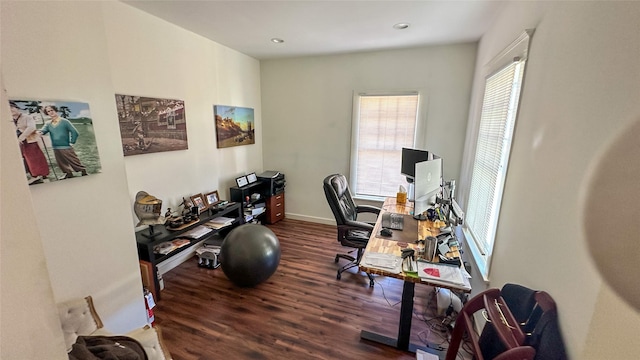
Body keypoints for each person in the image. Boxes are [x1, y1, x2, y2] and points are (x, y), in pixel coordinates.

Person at [38, 105, 87, 179]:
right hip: (55, 146)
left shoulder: (65, 121)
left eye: (52, 110)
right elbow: (43, 130)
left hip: (66, 146)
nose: (51, 112)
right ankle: (68, 173)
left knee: (73, 160)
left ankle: (83, 171)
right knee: (61, 162)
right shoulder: (48, 123)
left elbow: (75, 132)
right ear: (47, 113)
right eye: (48, 111)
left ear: (55, 110)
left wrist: (72, 142)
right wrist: (40, 132)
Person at [10, 102, 50, 184]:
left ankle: (41, 175)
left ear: (17, 108)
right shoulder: (10, 119)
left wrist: (21, 137)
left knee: (35, 157)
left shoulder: (27, 117)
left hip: (30, 140)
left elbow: (31, 127)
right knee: (25, 159)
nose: (11, 110)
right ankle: (33, 174)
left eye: (12, 107)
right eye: (8, 108)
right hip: (20, 142)